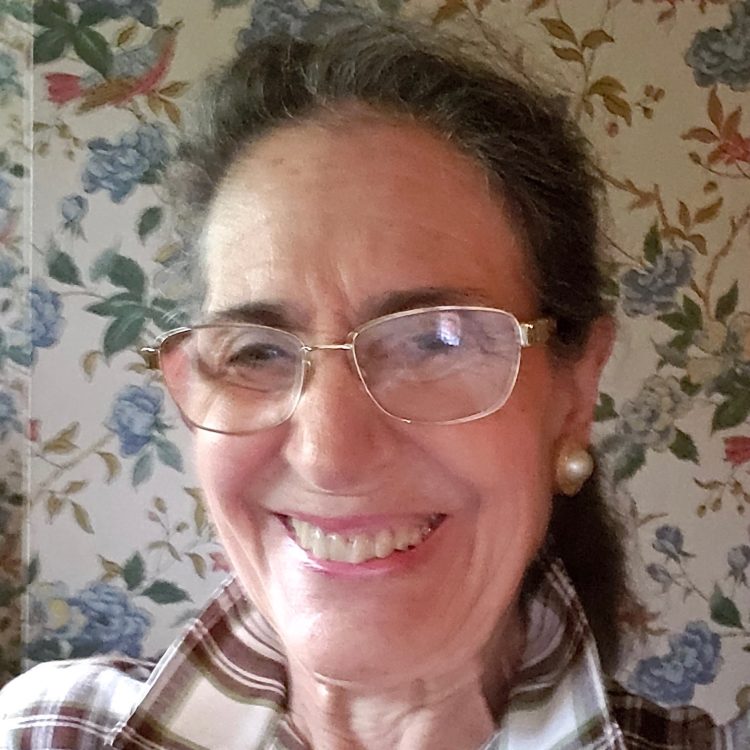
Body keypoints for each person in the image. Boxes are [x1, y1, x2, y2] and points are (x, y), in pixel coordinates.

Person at [2, 10, 748, 750]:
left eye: (435, 339)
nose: (330, 453)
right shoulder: (45, 731)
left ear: (572, 396)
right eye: (256, 352)